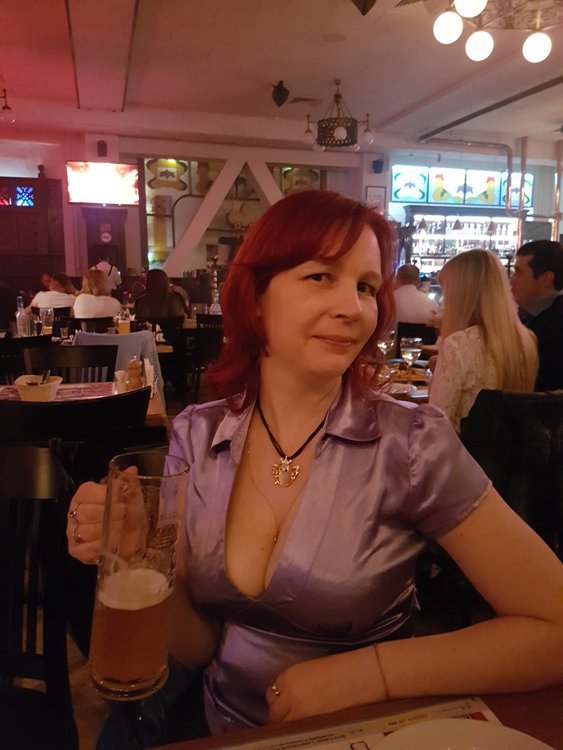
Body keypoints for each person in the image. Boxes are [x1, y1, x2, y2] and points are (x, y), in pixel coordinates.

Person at [67, 191, 563, 745]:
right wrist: (140, 558)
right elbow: (195, 641)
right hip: (223, 731)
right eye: (321, 277)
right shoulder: (197, 434)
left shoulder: (412, 444)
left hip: (359, 732)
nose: (353, 307)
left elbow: (554, 625)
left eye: (366, 287)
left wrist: (370, 674)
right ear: (255, 297)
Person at [429, 249, 538, 432]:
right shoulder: (527, 340)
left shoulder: (458, 345)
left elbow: (436, 425)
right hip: (509, 449)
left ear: (461, 296)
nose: (443, 302)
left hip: (462, 449)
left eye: (447, 293)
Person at [510, 239, 563, 391]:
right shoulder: (529, 314)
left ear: (546, 279)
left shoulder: (555, 328)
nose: (511, 280)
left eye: (519, 272)